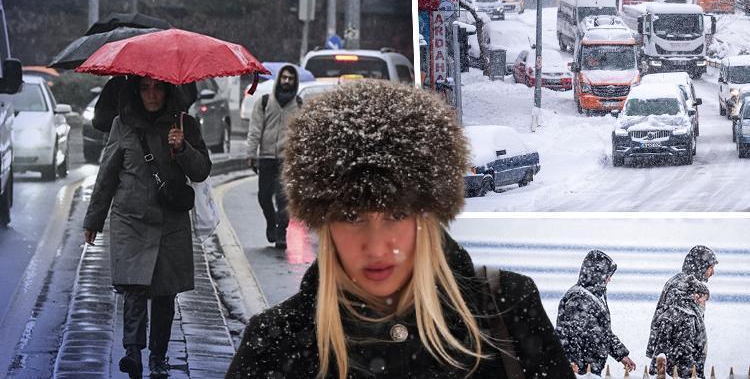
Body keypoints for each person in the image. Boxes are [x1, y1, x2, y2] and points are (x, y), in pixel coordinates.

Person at [226, 80, 575, 379]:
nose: (377, 247)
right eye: (352, 216)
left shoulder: (507, 311)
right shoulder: (276, 342)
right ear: (324, 222)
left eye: (396, 214)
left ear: (427, 216)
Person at [83, 76, 211, 379]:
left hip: (171, 219)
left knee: (165, 292)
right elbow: (107, 174)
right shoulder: (122, 124)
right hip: (131, 218)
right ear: (136, 92)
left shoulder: (185, 124)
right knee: (134, 287)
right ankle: (132, 353)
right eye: (144, 88)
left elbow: (202, 170)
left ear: (168, 90)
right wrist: (93, 219)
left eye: (157, 88)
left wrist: (182, 149)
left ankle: (158, 357)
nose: (151, 94)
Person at [246, 64, 301, 249]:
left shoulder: (299, 105)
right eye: (284, 78)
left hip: (287, 159)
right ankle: (271, 222)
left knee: (283, 198)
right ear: (279, 79)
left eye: (290, 78)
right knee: (264, 197)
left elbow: (303, 135)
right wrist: (251, 153)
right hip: (267, 158)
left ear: (295, 82)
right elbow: (255, 130)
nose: (286, 81)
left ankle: (281, 232)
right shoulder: (263, 102)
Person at [556, 250, 637, 375]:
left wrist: (621, 355)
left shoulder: (593, 297)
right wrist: (571, 361)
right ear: (597, 273)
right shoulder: (578, 298)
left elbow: (602, 333)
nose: (609, 279)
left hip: (590, 369)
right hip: (580, 370)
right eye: (607, 275)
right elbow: (568, 334)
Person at [646, 245, 717, 360]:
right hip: (677, 367)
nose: (713, 272)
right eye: (711, 267)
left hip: (667, 360)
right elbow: (683, 347)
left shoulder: (679, 282)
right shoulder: (685, 305)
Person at [648, 276, 709, 378]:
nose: (704, 305)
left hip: (663, 371)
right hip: (678, 373)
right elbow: (684, 351)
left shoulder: (670, 312)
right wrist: (694, 374)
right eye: (704, 300)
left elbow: (660, 345)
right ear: (696, 296)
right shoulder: (688, 317)